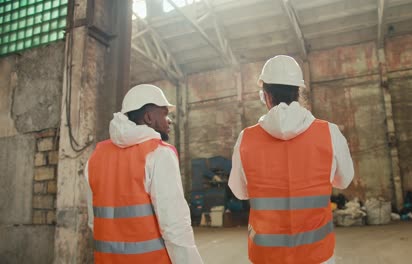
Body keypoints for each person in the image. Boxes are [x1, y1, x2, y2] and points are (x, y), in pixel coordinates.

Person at [229, 55, 354, 264]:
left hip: (266, 256)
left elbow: (239, 191)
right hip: (317, 255)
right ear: (298, 92)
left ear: (266, 95)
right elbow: (344, 180)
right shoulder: (329, 133)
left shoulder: (246, 139)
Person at [84, 84, 203, 264]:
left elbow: (94, 222)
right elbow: (175, 226)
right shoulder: (159, 153)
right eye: (164, 114)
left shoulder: (96, 157)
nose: (169, 120)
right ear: (148, 117)